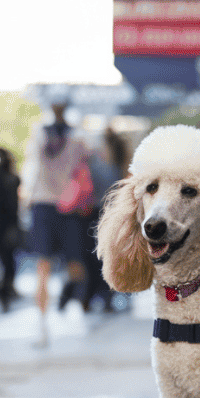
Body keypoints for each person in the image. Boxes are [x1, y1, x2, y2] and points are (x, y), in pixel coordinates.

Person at [20, 97, 88, 345]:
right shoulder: (76, 137)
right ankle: (66, 304)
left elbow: (32, 165)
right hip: (66, 204)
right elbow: (83, 165)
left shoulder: (39, 135)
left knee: (44, 267)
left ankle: (43, 323)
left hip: (43, 203)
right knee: (73, 264)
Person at [78, 126, 130, 312]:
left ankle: (91, 296)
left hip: (93, 215)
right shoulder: (118, 165)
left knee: (93, 258)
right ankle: (104, 296)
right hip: (109, 216)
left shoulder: (96, 163)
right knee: (106, 258)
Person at [0, 147, 20, 311]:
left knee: (5, 261)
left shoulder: (3, 178)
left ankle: (5, 291)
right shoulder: (10, 178)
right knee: (7, 261)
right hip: (6, 225)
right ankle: (5, 290)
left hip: (2, 225)